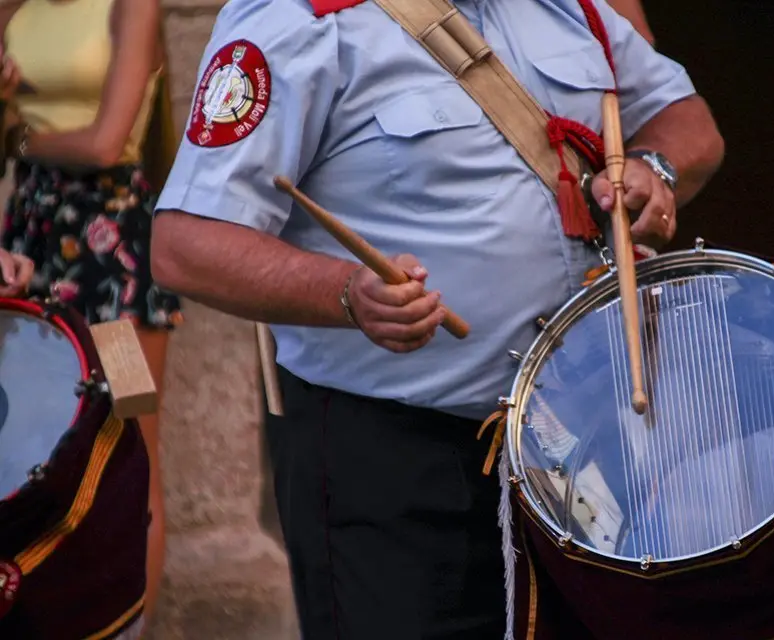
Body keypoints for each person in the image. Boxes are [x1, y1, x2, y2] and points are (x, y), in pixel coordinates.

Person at [150, 0, 725, 637]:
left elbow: (687, 121)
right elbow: (186, 243)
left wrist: (656, 169)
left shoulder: (567, 7)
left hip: (585, 449)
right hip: (397, 462)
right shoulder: (297, 21)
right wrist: (347, 292)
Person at [0, 0, 181, 629]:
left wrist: (20, 137)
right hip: (27, 239)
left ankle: (132, 629)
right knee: (23, 449)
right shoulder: (16, 8)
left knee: (133, 447)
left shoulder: (132, 5)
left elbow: (107, 142)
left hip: (113, 260)